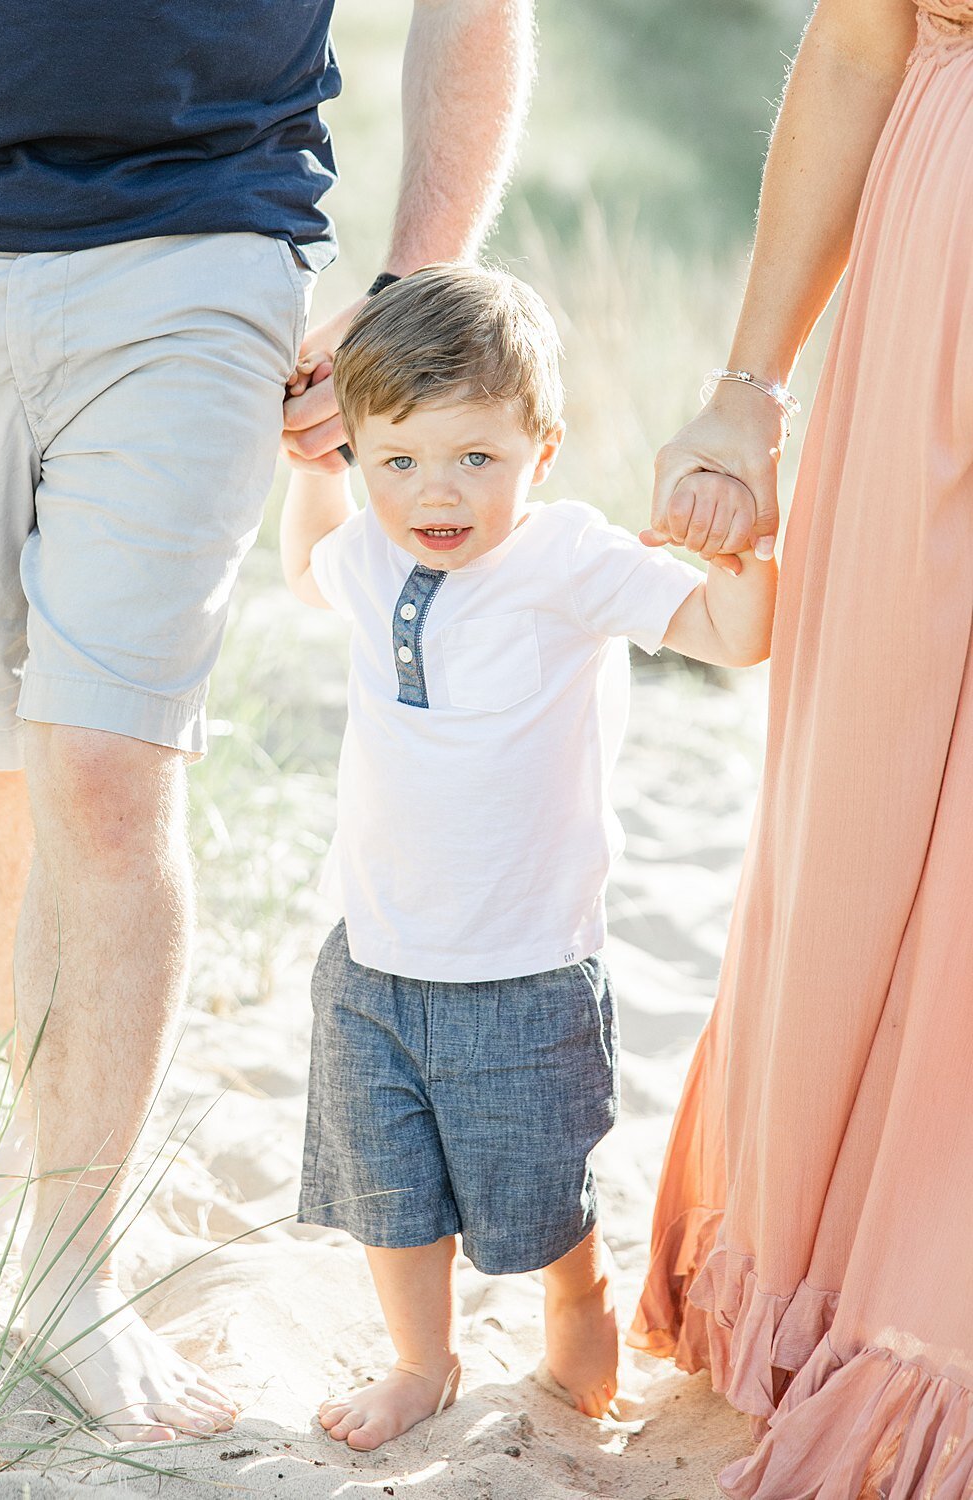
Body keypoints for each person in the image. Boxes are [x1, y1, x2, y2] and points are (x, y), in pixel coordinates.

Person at [0, 0, 536, 1445]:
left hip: (198, 239)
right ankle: (65, 1187)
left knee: (101, 770)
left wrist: (415, 287)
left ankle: (74, 1279)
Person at [279, 263, 777, 1452]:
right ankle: (422, 1362)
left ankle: (573, 1321)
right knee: (391, 1205)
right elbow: (309, 574)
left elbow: (730, 637)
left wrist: (737, 559)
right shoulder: (374, 556)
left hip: (526, 973)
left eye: (475, 460)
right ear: (357, 452)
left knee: (542, 1206)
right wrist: (304, 481)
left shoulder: (566, 558)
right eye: (396, 461)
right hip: (375, 965)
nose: (434, 493)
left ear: (539, 452)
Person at [630, 1, 973, 1494]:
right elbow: (856, 46)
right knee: (869, 797)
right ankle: (840, 1282)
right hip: (935, 291)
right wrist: (747, 393)